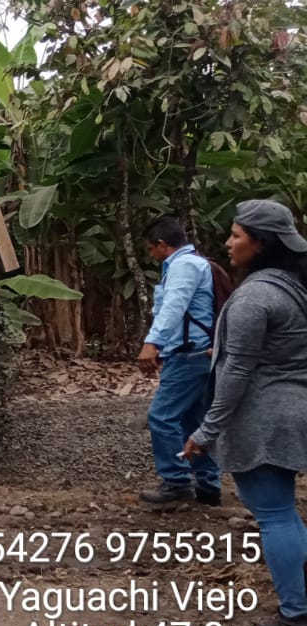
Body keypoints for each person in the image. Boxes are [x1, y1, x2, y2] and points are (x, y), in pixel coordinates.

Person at [183, 200, 307, 626]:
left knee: (274, 515)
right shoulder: (292, 286)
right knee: (283, 512)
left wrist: (206, 430)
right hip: (292, 411)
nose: (228, 243)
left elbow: (236, 372)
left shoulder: (256, 297)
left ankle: (295, 620)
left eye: (236, 236)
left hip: (265, 419)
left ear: (261, 243)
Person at [136, 216, 222, 506]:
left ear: (162, 244)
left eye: (150, 249)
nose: (151, 255)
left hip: (189, 356)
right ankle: (208, 485)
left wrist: (152, 343)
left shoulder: (183, 266)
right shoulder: (194, 263)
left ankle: (176, 483)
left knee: (162, 417)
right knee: (193, 420)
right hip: (197, 354)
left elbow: (174, 307)